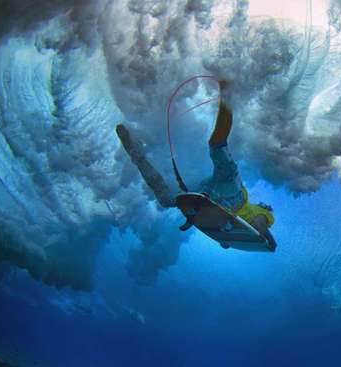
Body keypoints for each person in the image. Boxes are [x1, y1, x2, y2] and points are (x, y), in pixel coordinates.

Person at [115, 83, 276, 248]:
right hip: (231, 195)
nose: (265, 208)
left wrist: (224, 237)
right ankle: (227, 90)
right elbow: (259, 223)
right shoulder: (266, 216)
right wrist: (269, 240)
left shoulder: (257, 215)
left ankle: (134, 150)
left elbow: (228, 231)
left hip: (212, 194)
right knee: (216, 145)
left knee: (168, 198)